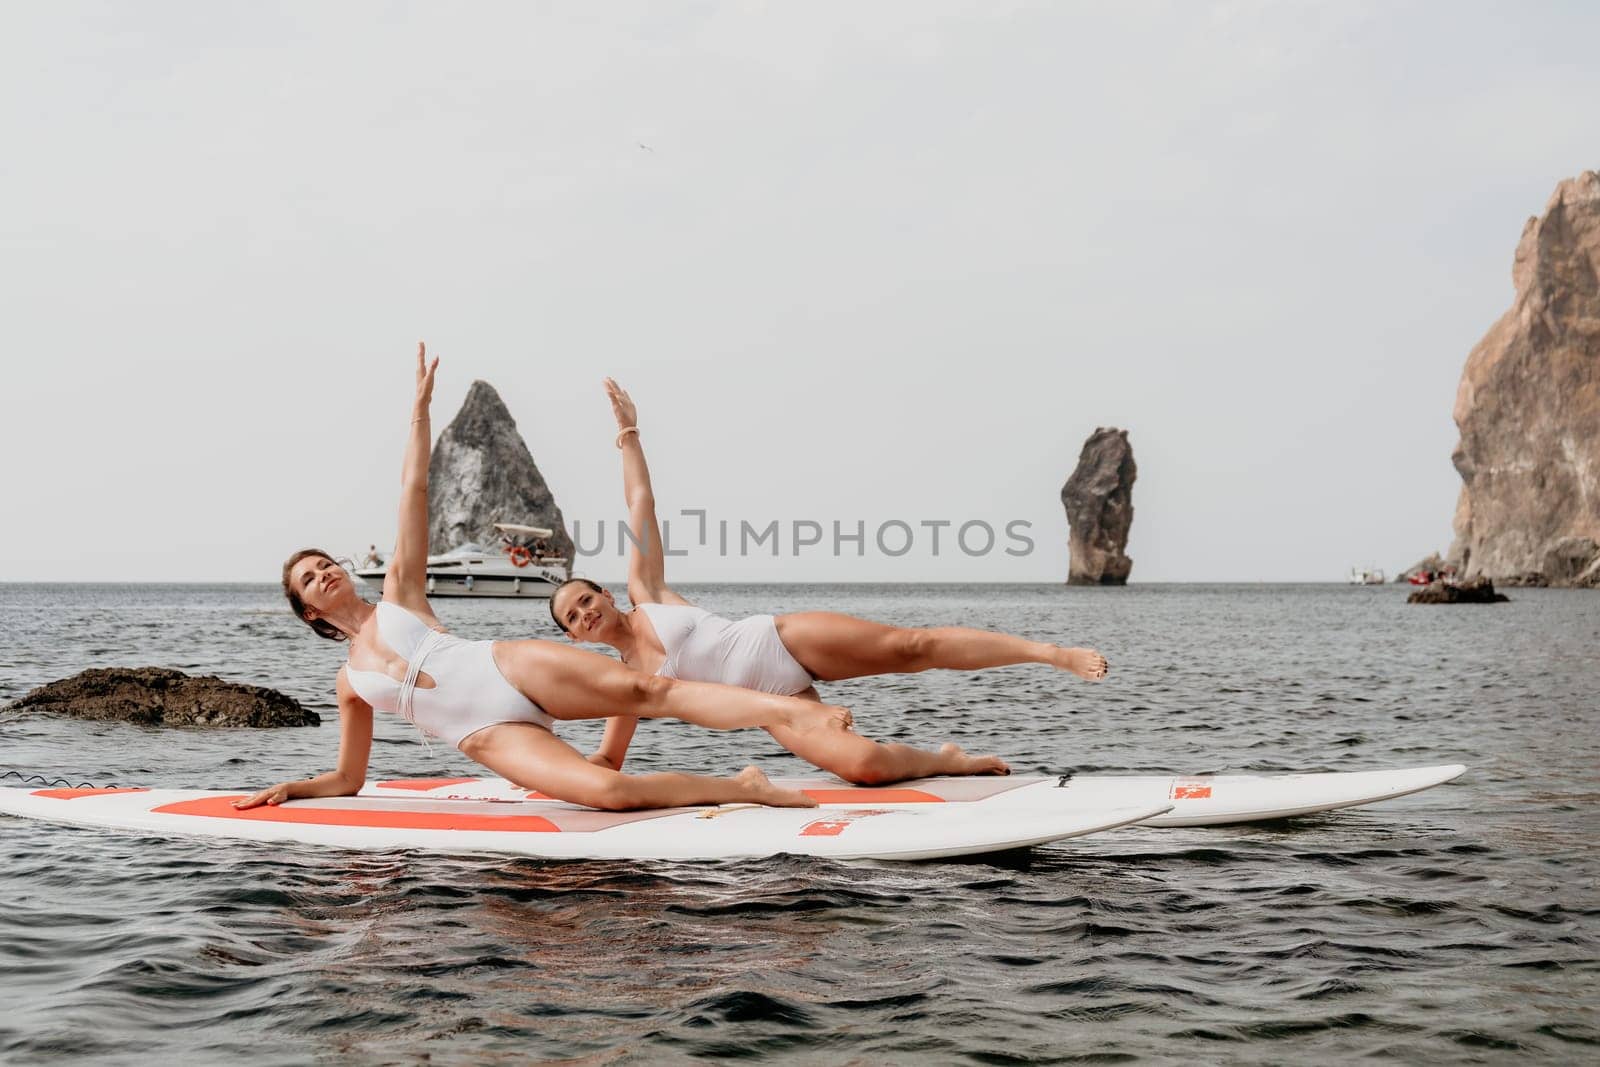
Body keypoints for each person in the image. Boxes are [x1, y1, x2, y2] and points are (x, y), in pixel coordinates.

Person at [238, 345, 853, 813]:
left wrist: (418, 416)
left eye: (325, 565)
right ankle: (744, 787)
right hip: (488, 737)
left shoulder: (400, 596)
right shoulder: (350, 682)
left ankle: (792, 713)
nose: (323, 575)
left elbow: (414, 491)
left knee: (649, 692)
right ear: (308, 612)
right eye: (309, 580)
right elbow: (350, 778)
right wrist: (297, 787)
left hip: (507, 666)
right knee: (607, 793)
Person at [548, 379, 1111, 786]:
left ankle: (1049, 653)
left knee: (913, 647)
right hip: (778, 704)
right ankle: (948, 760)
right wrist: (535, 761)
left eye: (584, 599)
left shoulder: (648, 593)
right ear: (575, 639)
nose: (584, 613)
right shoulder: (625, 688)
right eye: (572, 618)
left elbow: (639, 501)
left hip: (782, 640)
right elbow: (607, 764)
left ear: (605, 594)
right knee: (863, 768)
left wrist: (628, 434)